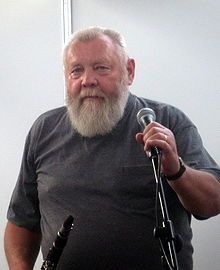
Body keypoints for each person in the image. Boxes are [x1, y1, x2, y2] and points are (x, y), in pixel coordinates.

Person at [4, 26, 220, 270]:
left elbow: (212, 203)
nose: (88, 80)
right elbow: (22, 221)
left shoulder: (166, 122)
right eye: (76, 70)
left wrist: (176, 171)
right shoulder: (44, 130)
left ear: (129, 71)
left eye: (101, 68)